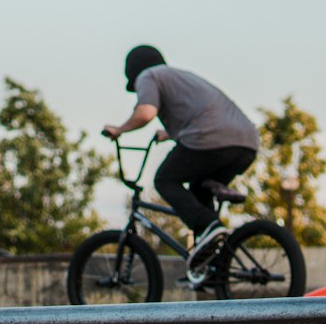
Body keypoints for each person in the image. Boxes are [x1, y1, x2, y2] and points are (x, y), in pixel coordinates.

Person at [103, 45, 260, 271]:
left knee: (165, 179)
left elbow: (146, 112)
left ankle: (209, 226)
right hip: (246, 143)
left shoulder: (148, 75)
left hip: (211, 139)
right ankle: (213, 265)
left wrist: (119, 129)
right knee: (198, 189)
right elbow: (200, 111)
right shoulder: (180, 77)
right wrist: (168, 134)